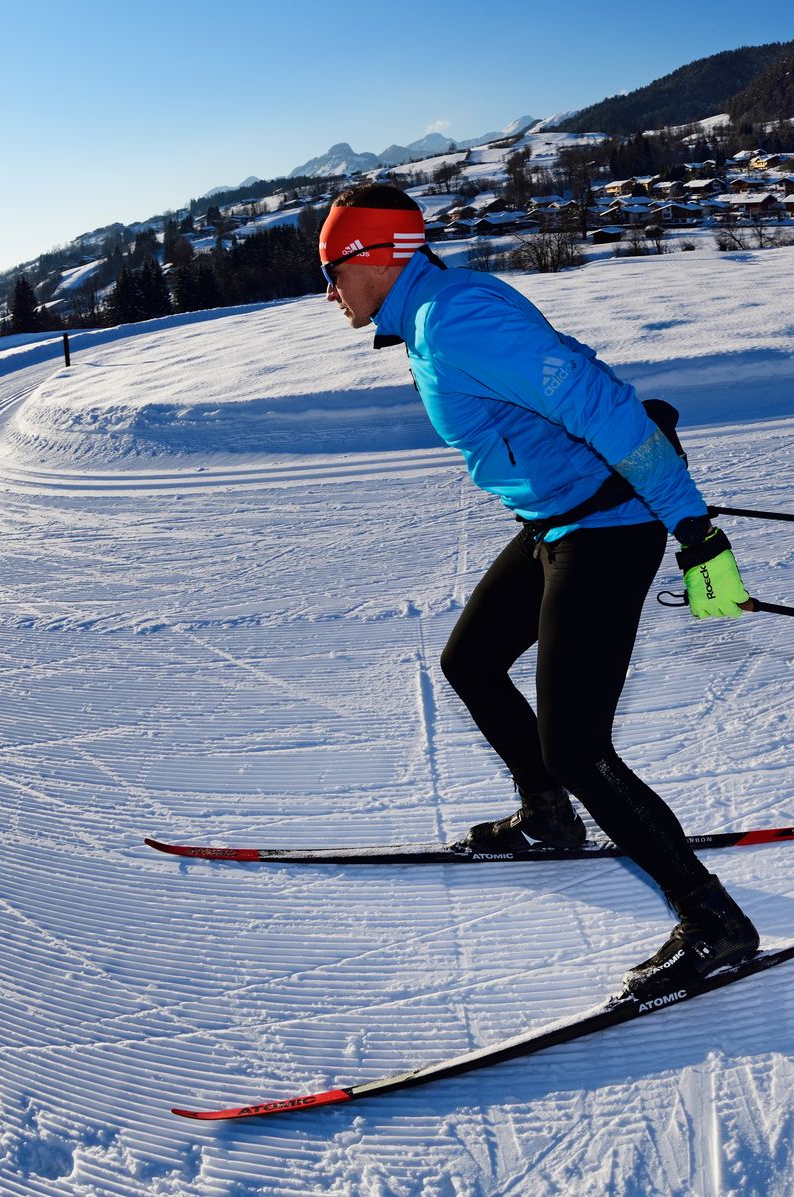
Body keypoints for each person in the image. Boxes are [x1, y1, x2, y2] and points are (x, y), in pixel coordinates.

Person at [316, 182, 758, 1000]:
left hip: (608, 527)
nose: (329, 291)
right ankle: (549, 816)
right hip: (557, 521)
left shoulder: (455, 319)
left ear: (376, 257)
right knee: (472, 661)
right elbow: (564, 385)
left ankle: (713, 921)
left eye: (332, 270)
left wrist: (694, 530)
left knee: (577, 744)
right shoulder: (426, 319)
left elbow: (594, 399)